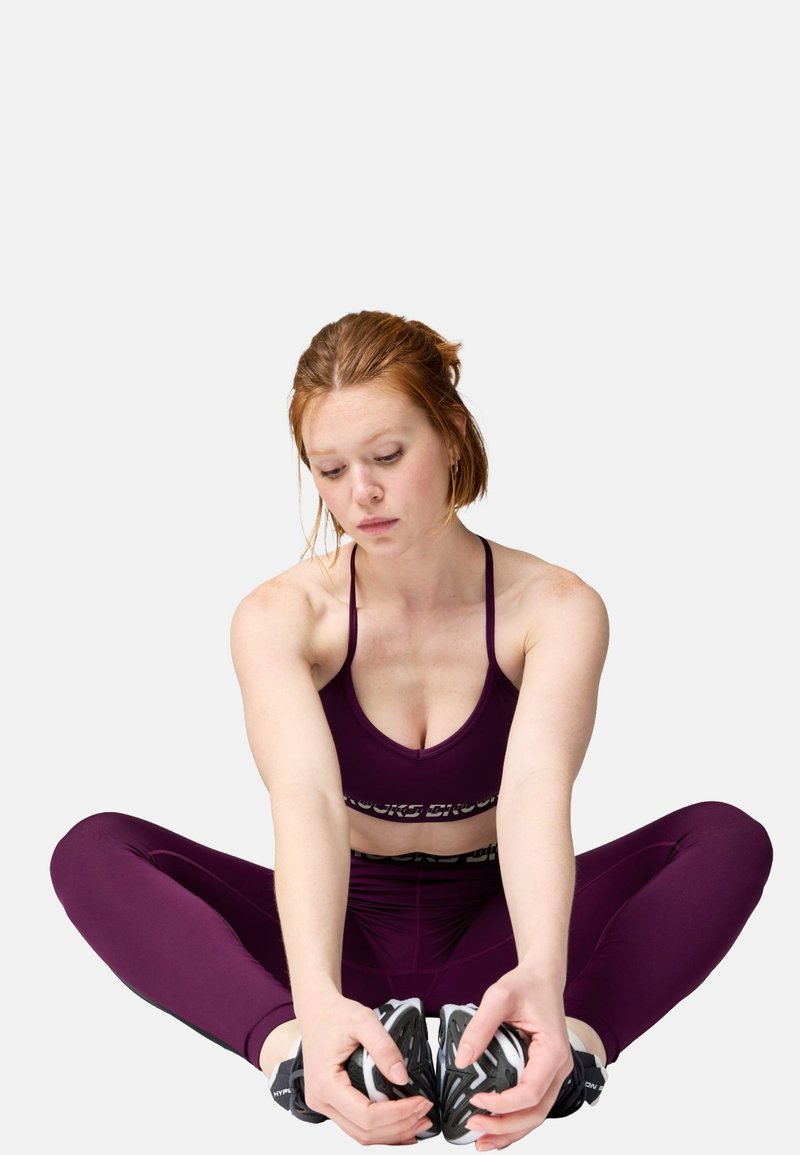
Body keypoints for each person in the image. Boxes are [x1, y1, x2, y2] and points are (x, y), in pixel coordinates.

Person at [50, 310, 773, 1150]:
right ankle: (300, 1054)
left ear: (452, 434)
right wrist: (314, 1000)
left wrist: (542, 974)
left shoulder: (554, 607)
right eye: (330, 469)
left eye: (388, 456)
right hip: (339, 932)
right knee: (92, 849)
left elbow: (535, 792)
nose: (361, 493)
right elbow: (306, 803)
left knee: (726, 836)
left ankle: (561, 1046)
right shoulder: (282, 615)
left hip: (500, 929)